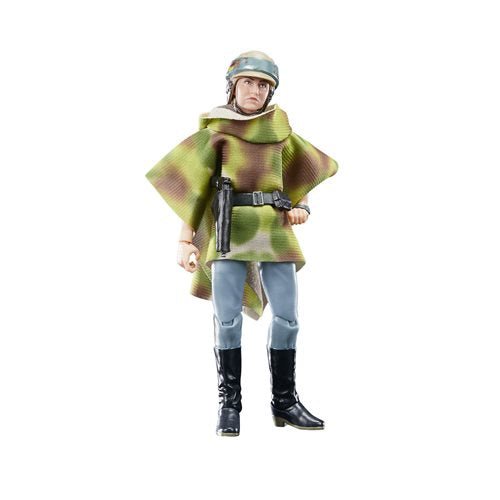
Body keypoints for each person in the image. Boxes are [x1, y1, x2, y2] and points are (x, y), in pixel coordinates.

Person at [146, 51, 338, 436]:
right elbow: (195, 189)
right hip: (229, 231)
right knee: (227, 318)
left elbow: (301, 171)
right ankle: (229, 403)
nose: (255, 90)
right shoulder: (217, 134)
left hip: (274, 230)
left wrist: (301, 205)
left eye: (263, 84)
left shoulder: (280, 132)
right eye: (247, 82)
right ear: (232, 86)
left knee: (288, 317)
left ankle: (284, 401)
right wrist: (185, 238)